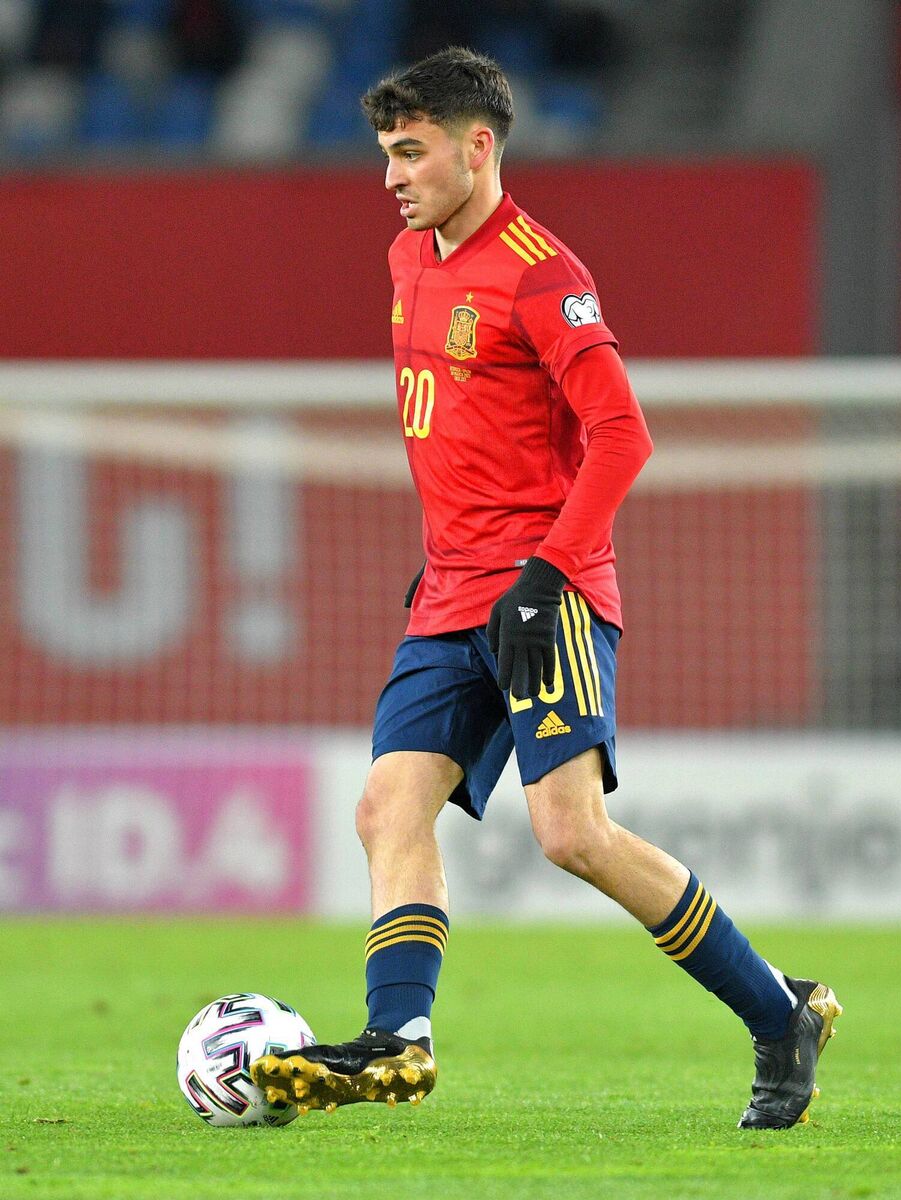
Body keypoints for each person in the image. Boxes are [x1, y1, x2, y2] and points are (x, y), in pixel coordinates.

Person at [251, 46, 841, 1130]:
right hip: (446, 594)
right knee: (385, 805)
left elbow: (622, 435)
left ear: (478, 147)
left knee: (568, 835)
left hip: (545, 592)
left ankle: (778, 1013)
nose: (393, 174)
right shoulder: (404, 256)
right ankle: (399, 1039)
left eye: (412, 151)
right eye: (385, 152)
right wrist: (446, 554)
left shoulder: (540, 272)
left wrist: (545, 571)